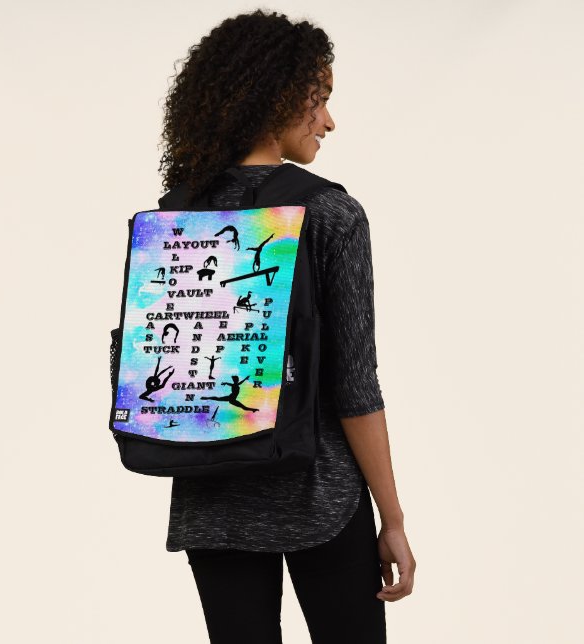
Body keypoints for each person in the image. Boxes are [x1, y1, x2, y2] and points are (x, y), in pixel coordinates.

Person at [157, 9, 416, 643]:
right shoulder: (330, 212)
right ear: (277, 98)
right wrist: (393, 519)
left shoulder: (178, 211)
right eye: (317, 100)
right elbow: (355, 386)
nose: (328, 121)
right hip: (319, 494)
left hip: (210, 497)